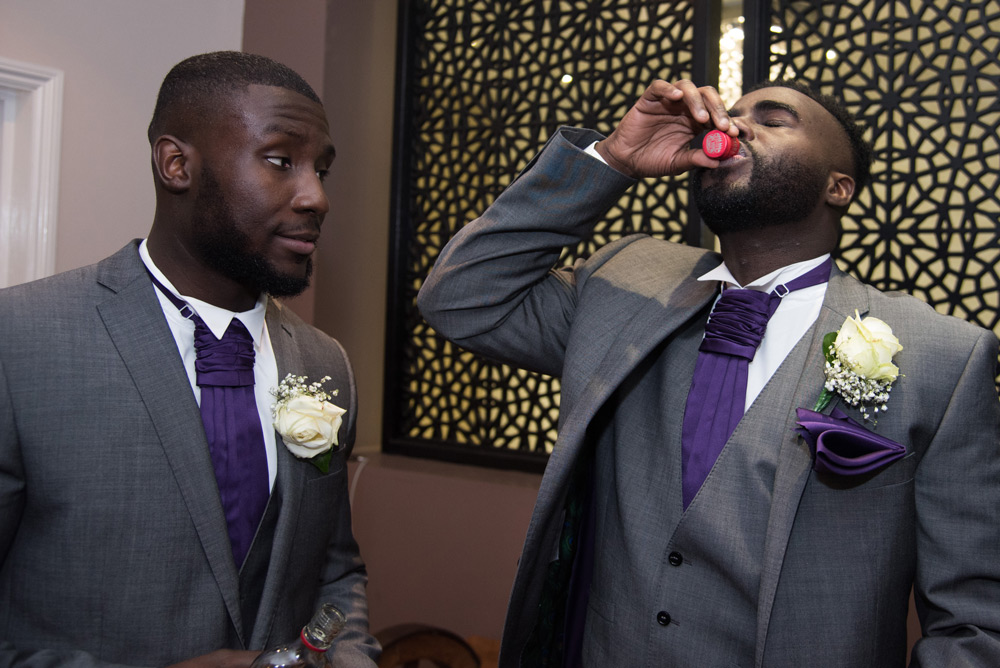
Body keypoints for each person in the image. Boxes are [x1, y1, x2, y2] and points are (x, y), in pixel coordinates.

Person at [418, 78, 1000, 666]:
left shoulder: (942, 356)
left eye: (773, 119)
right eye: (731, 113)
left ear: (838, 187)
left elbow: (975, 620)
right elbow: (463, 300)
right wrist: (613, 158)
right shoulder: (625, 284)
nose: (732, 125)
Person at [0, 52, 379, 668]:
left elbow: (335, 570)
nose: (316, 197)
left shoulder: (326, 362)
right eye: (281, 161)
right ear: (177, 164)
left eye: (322, 170)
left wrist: (351, 657)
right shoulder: (19, 341)